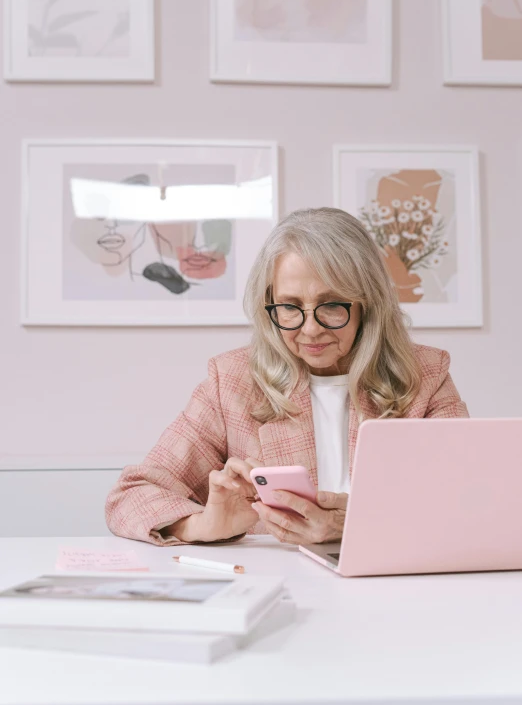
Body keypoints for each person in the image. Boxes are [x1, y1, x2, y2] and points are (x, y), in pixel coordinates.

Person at [105, 208, 468, 547]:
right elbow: (130, 496)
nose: (310, 329)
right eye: (290, 307)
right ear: (270, 303)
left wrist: (356, 524)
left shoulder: (425, 375)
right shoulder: (232, 381)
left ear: (367, 305)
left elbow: (471, 500)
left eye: (330, 305)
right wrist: (203, 525)